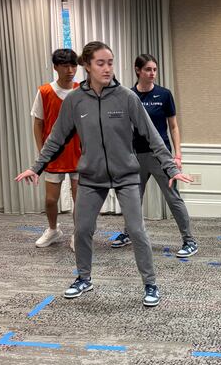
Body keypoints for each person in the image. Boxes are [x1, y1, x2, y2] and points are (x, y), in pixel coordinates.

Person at [15, 41, 193, 307]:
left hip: (126, 175)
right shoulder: (75, 100)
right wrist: (36, 166)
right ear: (87, 66)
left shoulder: (126, 97)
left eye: (110, 62)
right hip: (91, 176)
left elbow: (153, 135)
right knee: (83, 228)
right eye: (100, 63)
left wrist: (171, 167)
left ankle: (150, 284)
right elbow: (56, 138)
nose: (107, 68)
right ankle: (83, 278)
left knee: (136, 230)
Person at [110, 54, 198, 258]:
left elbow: (173, 126)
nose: (152, 73)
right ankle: (128, 233)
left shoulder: (164, 95)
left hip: (160, 156)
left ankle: (189, 241)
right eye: (148, 69)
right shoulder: (128, 95)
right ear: (138, 70)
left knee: (173, 198)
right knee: (132, 198)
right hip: (134, 156)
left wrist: (177, 155)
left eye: (155, 70)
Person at [31, 49, 80, 251]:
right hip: (54, 155)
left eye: (73, 65)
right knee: (51, 199)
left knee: (81, 200)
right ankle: (53, 230)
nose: (70, 70)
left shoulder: (82, 90)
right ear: (55, 67)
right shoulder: (44, 92)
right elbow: (38, 124)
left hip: (79, 154)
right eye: (65, 66)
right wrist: (43, 153)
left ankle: (79, 234)